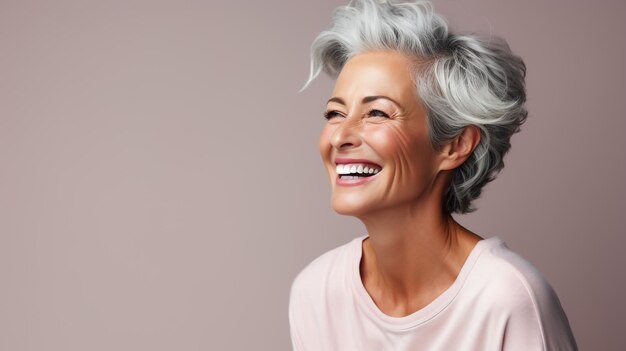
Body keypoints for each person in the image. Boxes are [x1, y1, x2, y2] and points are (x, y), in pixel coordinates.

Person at [288, 0, 577, 350]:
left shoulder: (508, 299)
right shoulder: (316, 292)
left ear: (455, 145)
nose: (340, 136)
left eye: (377, 112)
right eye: (335, 113)